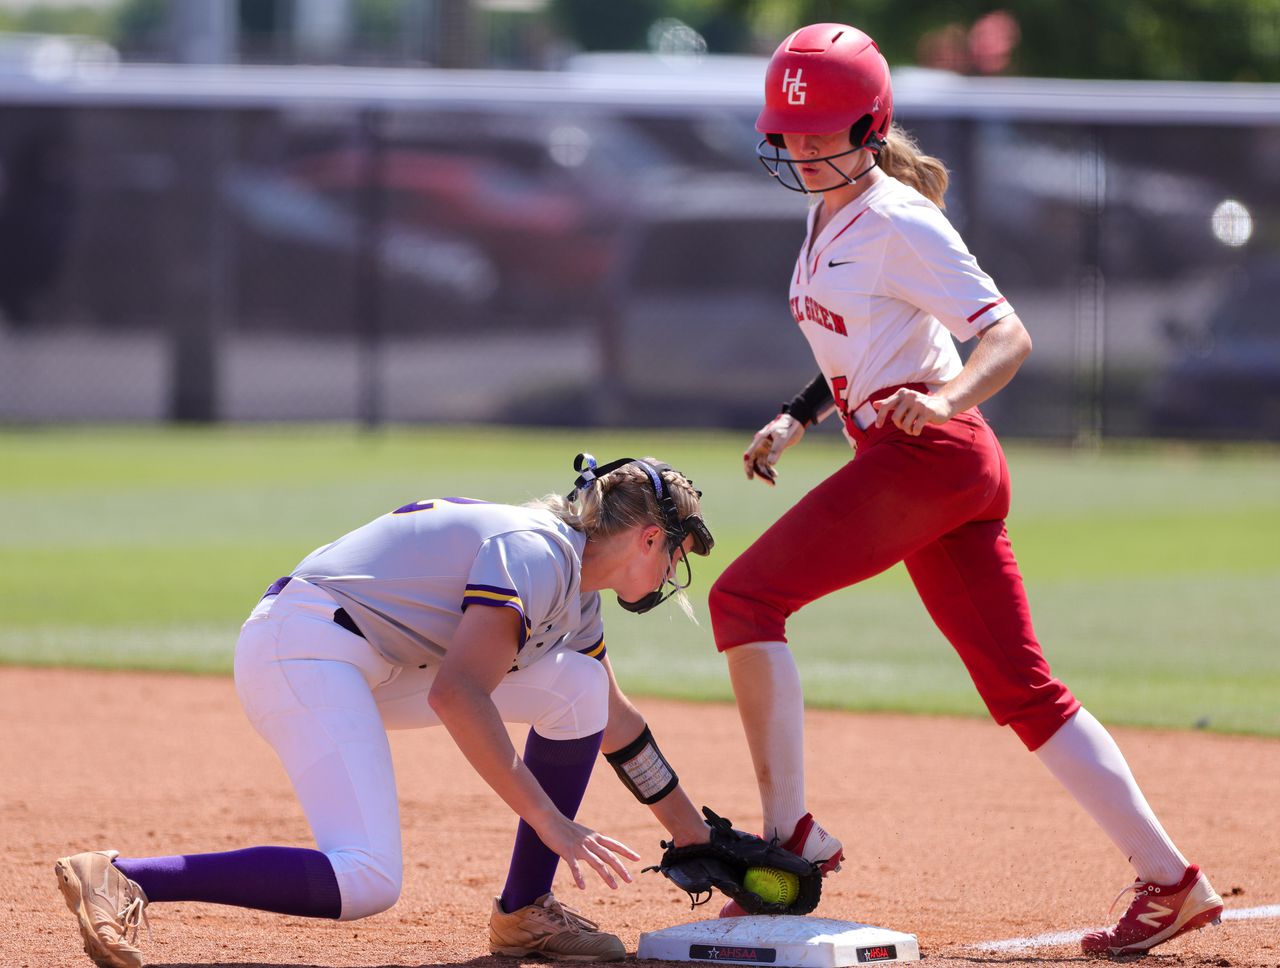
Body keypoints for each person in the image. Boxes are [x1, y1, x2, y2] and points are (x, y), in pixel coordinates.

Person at [707, 22, 1224, 958]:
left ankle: (790, 846)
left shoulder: (899, 217)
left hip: (930, 462)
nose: (804, 148)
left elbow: (1008, 336)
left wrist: (942, 397)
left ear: (872, 124)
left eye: (824, 131)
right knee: (1024, 692)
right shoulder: (832, 207)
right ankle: (1173, 882)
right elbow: (863, 344)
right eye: (792, 133)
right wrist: (799, 413)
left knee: (745, 599)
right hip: (925, 464)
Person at [55, 453, 716, 968]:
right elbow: (457, 695)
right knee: (368, 878)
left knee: (581, 687)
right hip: (304, 647)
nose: (671, 575)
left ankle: (525, 913)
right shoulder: (538, 554)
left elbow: (616, 722)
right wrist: (548, 819)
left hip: (369, 656)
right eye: (677, 556)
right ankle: (120, 877)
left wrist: (700, 838)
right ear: (651, 538)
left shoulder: (574, 592)